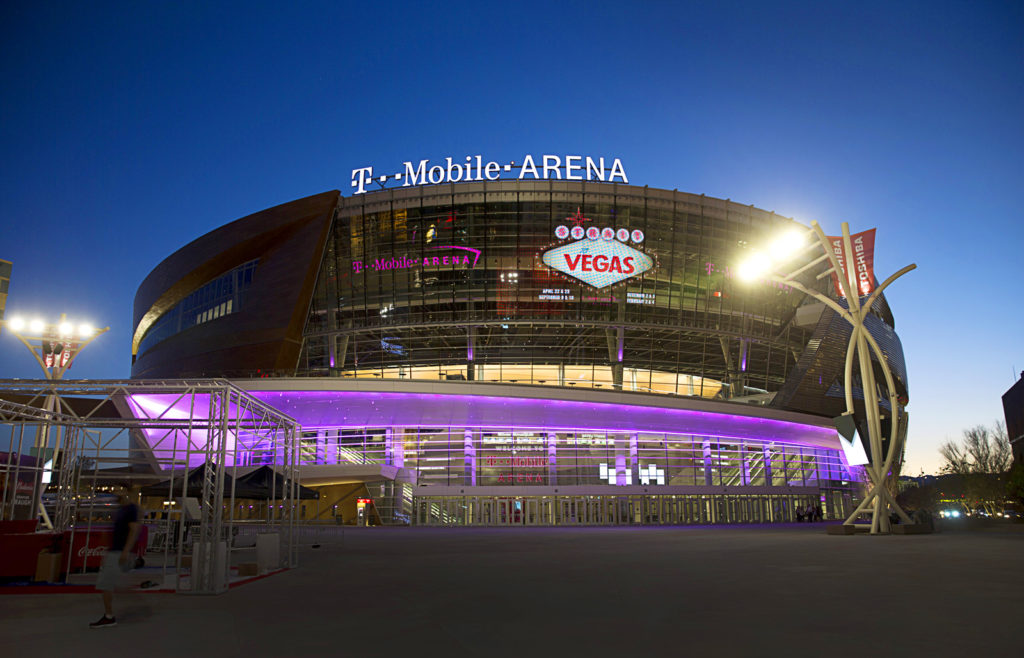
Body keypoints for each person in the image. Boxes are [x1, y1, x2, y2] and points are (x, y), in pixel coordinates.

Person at [90, 494, 141, 628]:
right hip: (116, 551)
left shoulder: (130, 509)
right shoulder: (121, 509)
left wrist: (125, 551)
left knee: (105, 583)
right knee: (109, 583)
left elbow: (134, 530)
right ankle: (109, 613)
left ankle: (109, 616)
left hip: (118, 552)